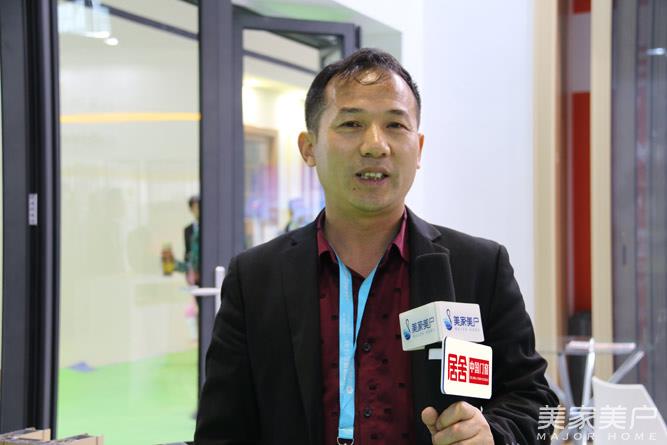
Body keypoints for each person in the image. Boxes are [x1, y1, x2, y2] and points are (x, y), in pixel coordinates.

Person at [195, 48, 557, 445]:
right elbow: (222, 430)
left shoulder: (479, 268)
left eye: (395, 125)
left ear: (419, 148)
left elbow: (535, 403)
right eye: (351, 123)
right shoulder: (255, 279)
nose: (375, 145)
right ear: (309, 147)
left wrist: (495, 435)